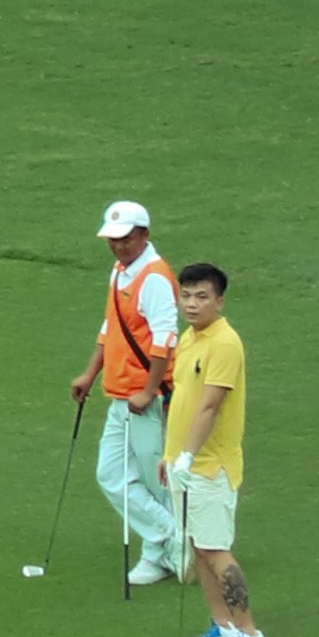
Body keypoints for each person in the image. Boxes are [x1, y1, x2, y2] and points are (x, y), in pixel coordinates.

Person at [66, 199, 191, 587]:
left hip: (148, 398)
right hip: (121, 393)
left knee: (156, 480)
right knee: (111, 475)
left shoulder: (153, 277)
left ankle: (162, 553)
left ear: (144, 234)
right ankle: (171, 537)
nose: (118, 246)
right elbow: (112, 328)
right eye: (113, 239)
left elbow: (165, 338)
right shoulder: (121, 271)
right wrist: (90, 373)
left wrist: (149, 391)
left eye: (125, 238)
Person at [159, 263, 265, 637]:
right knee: (198, 548)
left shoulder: (224, 344)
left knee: (216, 549)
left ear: (219, 302)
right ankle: (223, 626)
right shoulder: (189, 338)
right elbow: (182, 399)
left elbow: (210, 406)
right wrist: (170, 456)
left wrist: (187, 456)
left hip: (210, 466)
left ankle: (249, 633)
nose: (191, 304)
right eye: (186, 295)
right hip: (184, 464)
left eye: (201, 296)